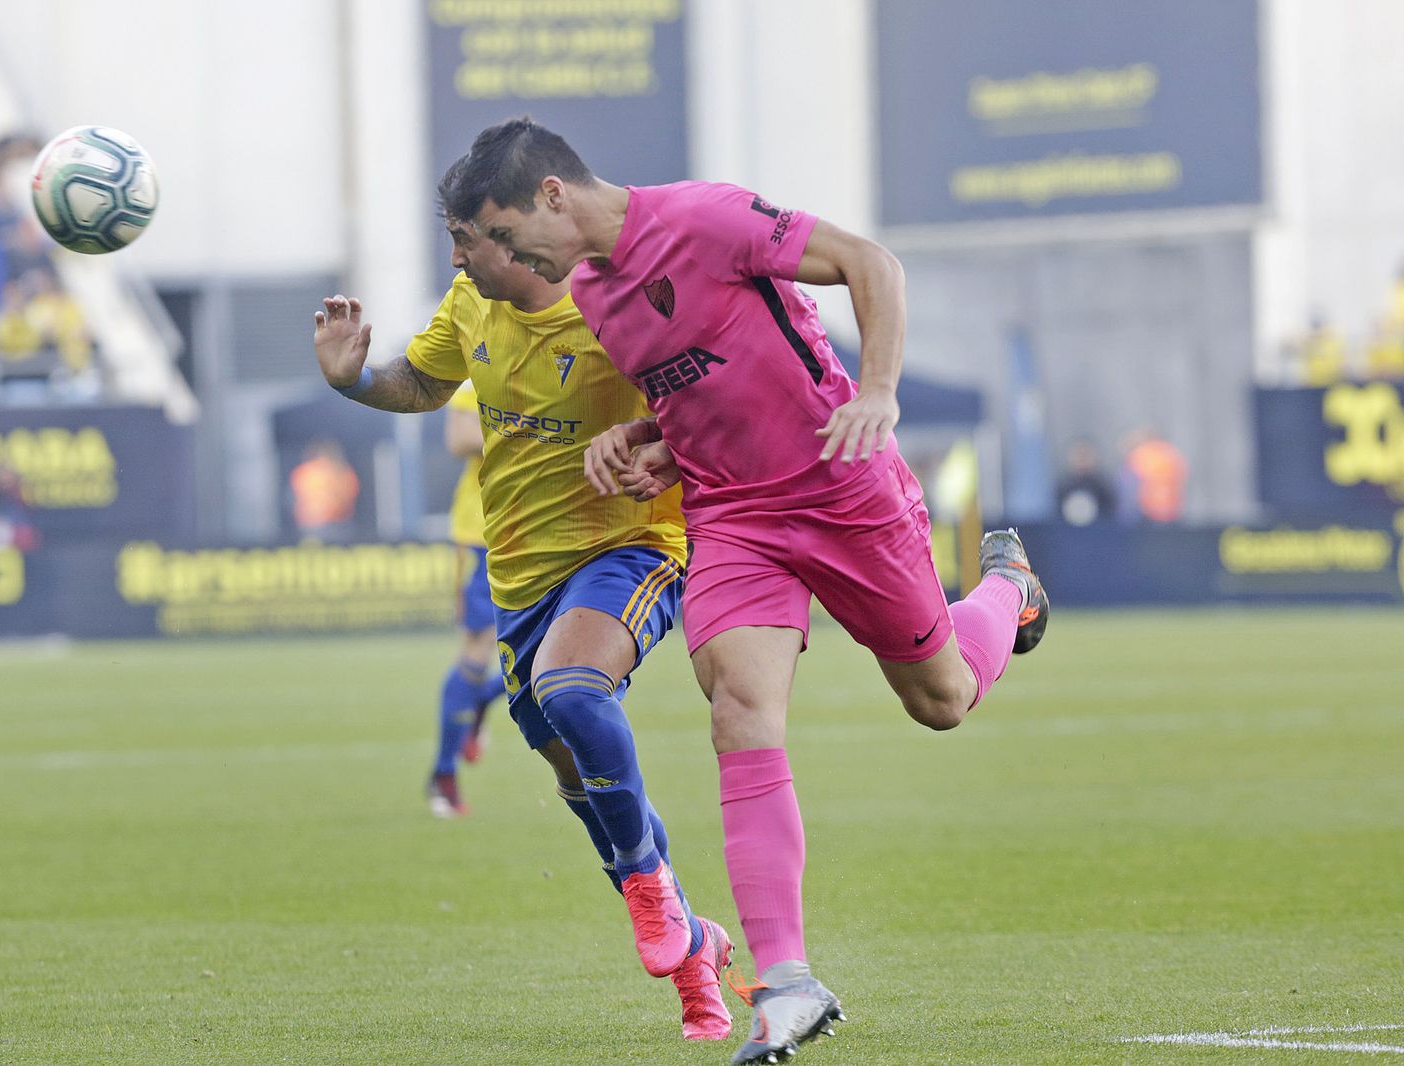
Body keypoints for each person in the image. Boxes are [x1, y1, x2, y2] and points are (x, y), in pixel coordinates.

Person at [442, 118, 1049, 1065]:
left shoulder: (708, 218)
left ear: (554, 195)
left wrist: (877, 389)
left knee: (941, 700)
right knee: (739, 709)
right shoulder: (596, 292)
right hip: (732, 516)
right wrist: (643, 444)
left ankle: (1007, 589)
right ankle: (787, 984)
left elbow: (870, 262)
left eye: (512, 235)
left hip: (840, 483)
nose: (513, 258)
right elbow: (692, 396)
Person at [310, 177, 733, 1041]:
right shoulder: (471, 301)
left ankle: (654, 894)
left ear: (521, 228)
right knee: (575, 777)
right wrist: (354, 381)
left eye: (468, 239)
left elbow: (716, 407)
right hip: (520, 576)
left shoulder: (623, 297)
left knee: (576, 691)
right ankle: (695, 950)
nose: (457, 258)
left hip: (630, 547)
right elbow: (423, 387)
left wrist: (664, 456)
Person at [426, 380, 509, 818]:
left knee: (554, 658)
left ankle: (477, 701)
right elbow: (459, 436)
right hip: (482, 534)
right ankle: (443, 774)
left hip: (544, 531)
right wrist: (528, 427)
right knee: (476, 652)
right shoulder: (481, 360)